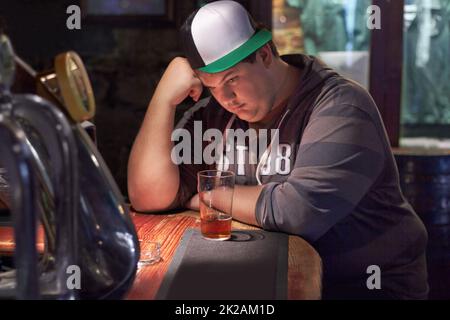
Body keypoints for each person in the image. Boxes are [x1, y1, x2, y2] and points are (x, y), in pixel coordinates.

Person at [128, 0, 428, 299]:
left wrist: (208, 195)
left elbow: (298, 212)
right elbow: (148, 196)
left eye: (232, 79)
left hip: (362, 287)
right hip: (270, 280)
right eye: (212, 86)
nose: (226, 98)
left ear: (265, 54)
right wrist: (163, 100)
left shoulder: (341, 107)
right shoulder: (214, 115)